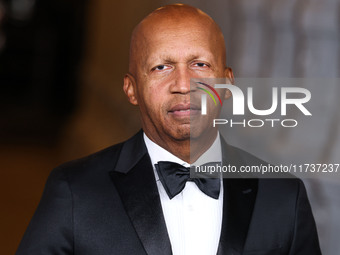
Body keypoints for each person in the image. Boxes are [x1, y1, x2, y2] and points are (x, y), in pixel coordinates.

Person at [16, 4, 321, 255]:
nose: (184, 85)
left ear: (227, 84)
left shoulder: (284, 196)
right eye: (161, 67)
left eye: (200, 64)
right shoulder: (73, 191)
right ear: (131, 89)